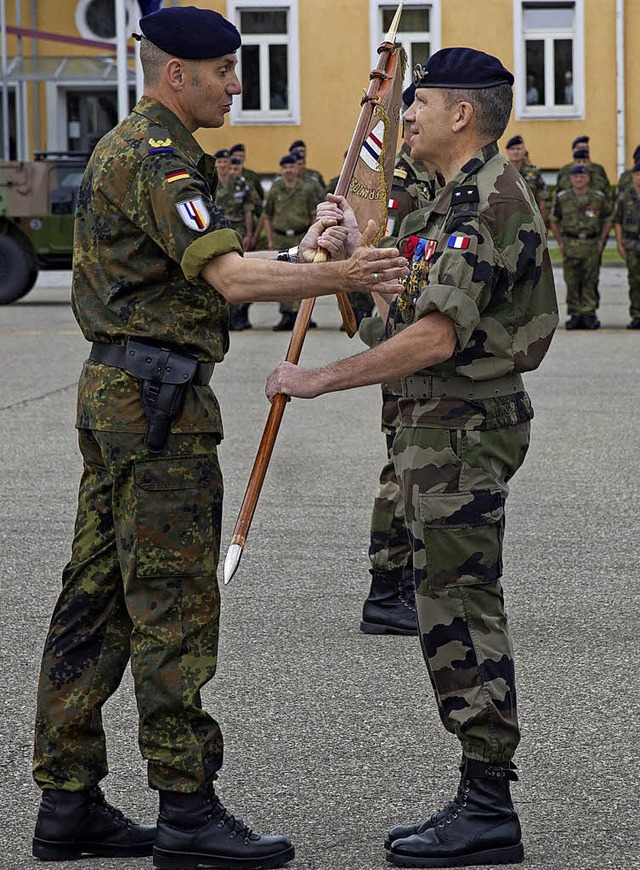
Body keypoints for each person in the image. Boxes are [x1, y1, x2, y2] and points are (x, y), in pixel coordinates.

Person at [30, 7, 407, 870]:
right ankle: (188, 811)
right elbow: (232, 279)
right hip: (157, 412)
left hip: (124, 398)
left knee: (95, 596)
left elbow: (209, 263)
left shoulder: (149, 151)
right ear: (178, 75)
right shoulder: (157, 159)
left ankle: (68, 803)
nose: (238, 85)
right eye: (227, 72)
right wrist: (343, 272)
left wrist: (308, 258)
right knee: (172, 605)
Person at [266, 47, 558, 868]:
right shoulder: (453, 201)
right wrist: (353, 258)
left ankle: (489, 806)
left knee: (462, 612)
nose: (407, 117)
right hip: (436, 432)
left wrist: (317, 380)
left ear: (461, 113)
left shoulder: (485, 203)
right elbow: (402, 310)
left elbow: (434, 337)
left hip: (461, 433)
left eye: (420, 103)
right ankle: (479, 795)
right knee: (444, 608)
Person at [359, 83, 437, 635]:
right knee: (402, 465)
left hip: (419, 331)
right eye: (412, 114)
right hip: (401, 331)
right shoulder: (398, 183)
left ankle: (405, 582)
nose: (413, 124)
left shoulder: (433, 178)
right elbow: (386, 258)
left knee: (413, 463)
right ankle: (387, 590)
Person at [550, 164, 612, 329]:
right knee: (572, 280)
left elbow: (608, 218)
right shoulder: (562, 198)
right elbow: (554, 220)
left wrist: (602, 240)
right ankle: (575, 314)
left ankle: (589, 313)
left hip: (591, 244)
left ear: (588, 178)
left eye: (582, 176)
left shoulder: (598, 197)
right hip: (570, 244)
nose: (579, 179)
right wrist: (560, 242)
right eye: (575, 177)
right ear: (570, 179)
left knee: (590, 280)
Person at [264, 154, 320, 331]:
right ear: (281, 170)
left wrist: (313, 236)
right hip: (281, 238)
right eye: (285, 167)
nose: (288, 170)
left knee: (303, 277)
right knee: (281, 277)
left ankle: (301, 316)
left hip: (300, 237)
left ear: (297, 169)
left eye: (291, 167)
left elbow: (313, 214)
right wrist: (270, 240)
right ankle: (286, 315)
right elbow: (267, 216)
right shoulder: (274, 190)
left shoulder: (306, 189)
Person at [214, 150, 256, 331]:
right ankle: (225, 317)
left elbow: (248, 209)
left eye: (226, 162)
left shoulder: (240, 183)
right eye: (220, 162)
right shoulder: (210, 182)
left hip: (237, 229)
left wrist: (249, 233)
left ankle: (239, 316)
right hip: (218, 231)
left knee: (240, 269)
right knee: (220, 271)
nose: (223, 165)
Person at [612, 160, 640, 328]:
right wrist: (619, 243)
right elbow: (617, 221)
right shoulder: (625, 196)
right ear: (632, 176)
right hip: (632, 242)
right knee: (635, 280)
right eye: (637, 174)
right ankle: (637, 314)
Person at [504, 134, 550, 224]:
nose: (516, 152)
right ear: (508, 151)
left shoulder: (534, 172)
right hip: (506, 221)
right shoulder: (501, 171)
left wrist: (540, 224)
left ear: (524, 151)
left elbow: (544, 200)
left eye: (519, 149)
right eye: (512, 149)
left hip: (530, 221)